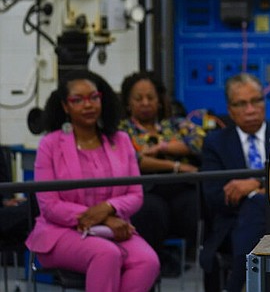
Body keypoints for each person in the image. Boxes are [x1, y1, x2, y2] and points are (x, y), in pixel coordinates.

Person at [25, 70, 160, 292]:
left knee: (148, 262)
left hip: (114, 229)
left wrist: (108, 208)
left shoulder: (122, 140)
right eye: (78, 100)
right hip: (61, 231)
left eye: (93, 97)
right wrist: (102, 220)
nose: (88, 105)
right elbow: (50, 206)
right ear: (65, 107)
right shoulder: (50, 144)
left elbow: (136, 194)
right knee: (106, 254)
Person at [201, 73, 270, 292]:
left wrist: (255, 185)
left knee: (259, 204)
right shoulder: (216, 143)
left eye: (256, 101)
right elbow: (213, 195)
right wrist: (261, 193)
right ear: (230, 109)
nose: (250, 109)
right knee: (256, 207)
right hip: (233, 224)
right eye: (241, 104)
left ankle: (235, 286)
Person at [119, 70, 205, 276]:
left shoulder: (175, 124)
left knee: (197, 204)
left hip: (181, 189)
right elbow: (134, 159)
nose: (145, 102)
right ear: (128, 103)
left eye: (150, 97)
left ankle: (196, 262)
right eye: (138, 98)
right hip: (147, 190)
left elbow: (200, 141)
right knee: (152, 210)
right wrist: (176, 167)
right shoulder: (122, 130)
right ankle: (153, 267)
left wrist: (162, 147)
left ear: (159, 101)